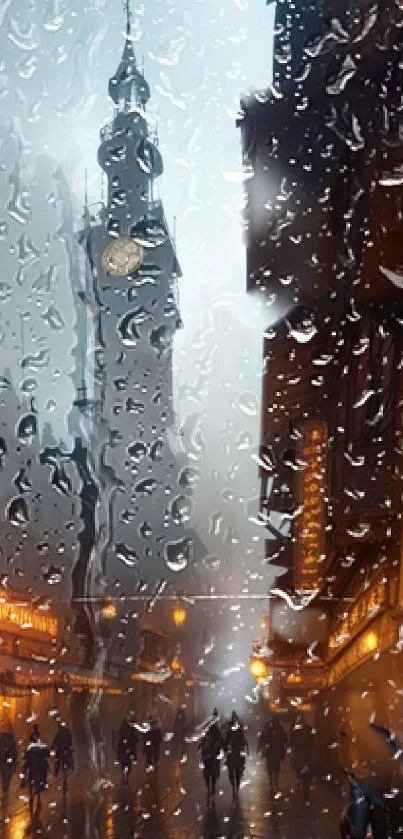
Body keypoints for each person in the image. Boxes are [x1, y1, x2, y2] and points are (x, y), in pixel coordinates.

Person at [257, 716, 287, 798]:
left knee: (273, 769)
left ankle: (273, 784)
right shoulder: (274, 730)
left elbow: (284, 739)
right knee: (273, 770)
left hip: (274, 752)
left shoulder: (275, 729)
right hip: (272, 753)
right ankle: (274, 784)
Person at [198, 709, 224, 802]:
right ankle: (210, 787)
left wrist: (220, 749)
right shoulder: (206, 730)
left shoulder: (216, 729)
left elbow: (220, 740)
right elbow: (202, 741)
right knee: (207, 772)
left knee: (212, 772)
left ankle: (212, 787)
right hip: (206, 754)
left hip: (213, 754)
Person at [224, 711, 249, 799]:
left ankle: (236, 785)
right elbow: (226, 742)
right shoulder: (230, 732)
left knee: (239, 766)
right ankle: (233, 784)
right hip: (232, 753)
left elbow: (243, 741)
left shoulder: (239, 732)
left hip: (238, 751)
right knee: (230, 768)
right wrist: (226, 749)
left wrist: (243, 749)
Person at [289, 715, 314, 801]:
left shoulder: (297, 730)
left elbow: (292, 741)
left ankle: (302, 784)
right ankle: (305, 790)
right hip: (304, 754)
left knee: (301, 770)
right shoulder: (306, 729)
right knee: (304, 771)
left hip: (301, 754)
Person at [22, 732, 50, 809]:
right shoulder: (30, 747)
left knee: (45, 768)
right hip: (33, 764)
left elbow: (47, 753)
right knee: (24, 769)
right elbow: (26, 755)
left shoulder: (41, 745)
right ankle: (23, 781)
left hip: (39, 764)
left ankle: (44, 781)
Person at [116, 714, 140, 783]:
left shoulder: (132, 725)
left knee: (133, 748)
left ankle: (133, 759)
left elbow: (135, 733)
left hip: (129, 742)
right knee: (121, 749)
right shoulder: (123, 726)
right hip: (124, 745)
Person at [0, 725, 17, 795]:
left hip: (7, 759)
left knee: (7, 773)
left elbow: (13, 750)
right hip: (2, 760)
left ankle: (5, 785)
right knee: (5, 773)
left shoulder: (8, 738)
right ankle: (5, 785)